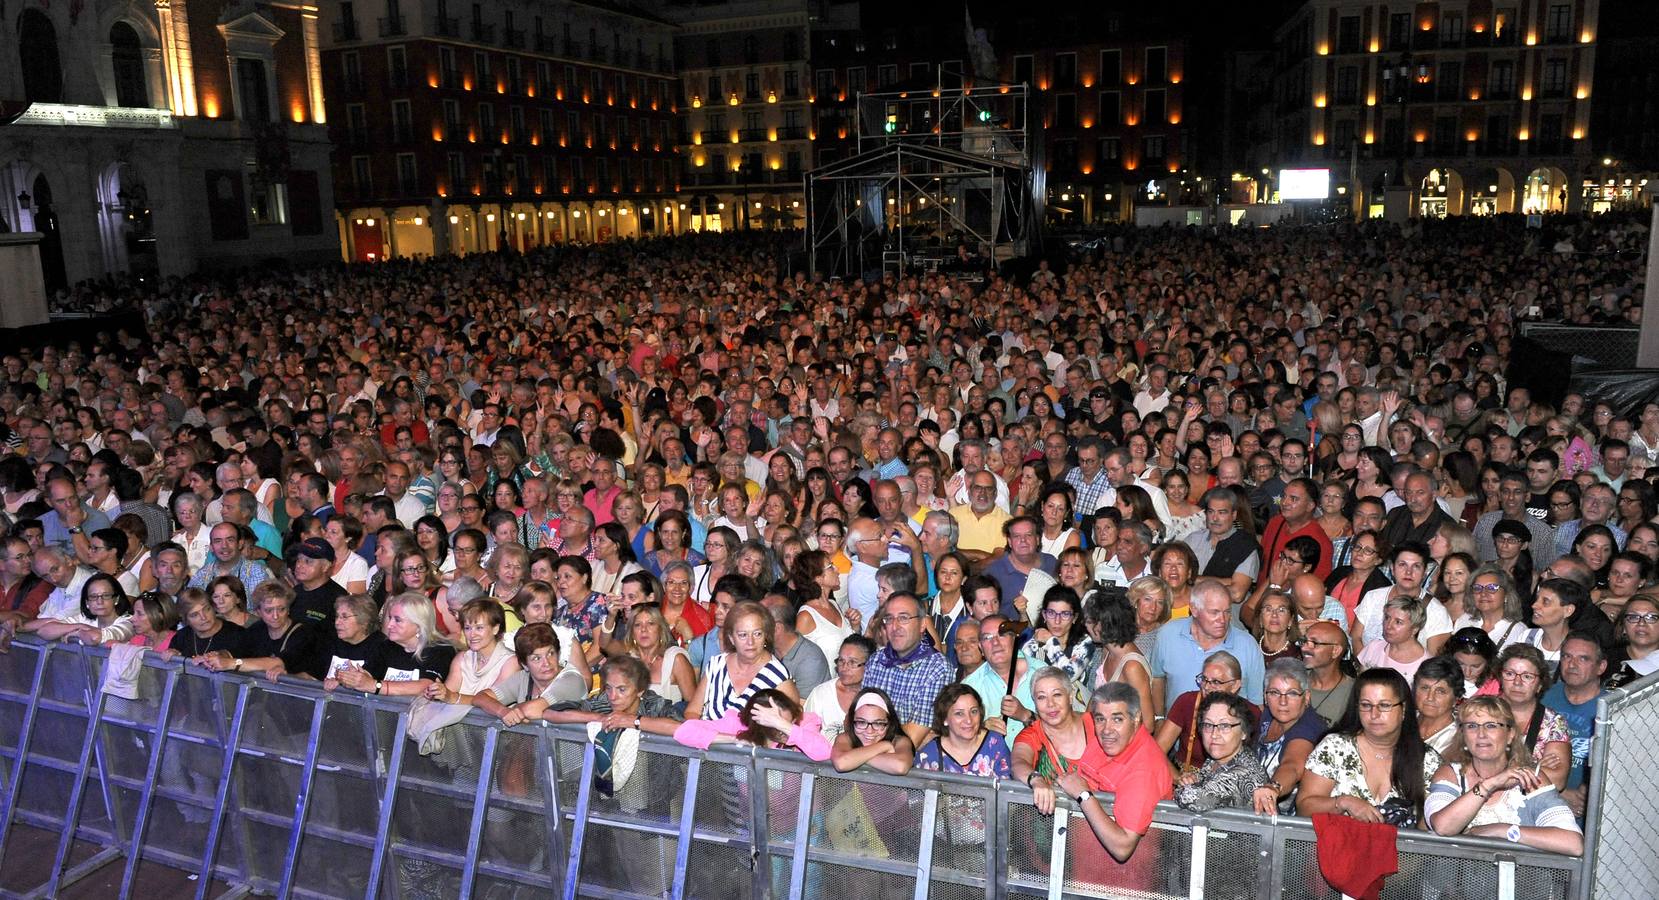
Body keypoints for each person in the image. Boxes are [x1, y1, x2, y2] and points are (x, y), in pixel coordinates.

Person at [1425, 697, 1584, 854]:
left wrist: (1502, 831)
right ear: (1463, 735)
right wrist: (1490, 785)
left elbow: (1573, 843)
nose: (1481, 734)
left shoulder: (1530, 778)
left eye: (1491, 726)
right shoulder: (1451, 773)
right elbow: (1443, 827)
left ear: (1510, 734)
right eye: (1472, 726)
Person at [1298, 668, 1441, 828]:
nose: (1374, 714)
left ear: (1404, 709)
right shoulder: (1334, 747)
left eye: (1384, 705)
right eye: (1366, 705)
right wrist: (1344, 802)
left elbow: (1433, 825)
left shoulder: (1428, 760)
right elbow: (1304, 808)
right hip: (1334, 849)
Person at [1053, 682, 1174, 864]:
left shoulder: (1143, 769)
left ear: (1136, 719)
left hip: (1122, 882)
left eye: (1117, 719)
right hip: (1084, 861)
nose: (1107, 729)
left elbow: (1123, 847)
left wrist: (1083, 795)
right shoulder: (1106, 741)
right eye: (1100, 719)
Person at [1149, 579, 1265, 715]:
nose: (1222, 620)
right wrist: (1159, 719)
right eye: (1214, 612)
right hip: (1176, 732)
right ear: (1194, 610)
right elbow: (1157, 678)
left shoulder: (1247, 645)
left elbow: (1257, 704)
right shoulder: (1168, 634)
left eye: (1227, 612)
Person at [860, 592, 954, 747]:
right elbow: (860, 724)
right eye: (889, 619)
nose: (895, 626)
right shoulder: (875, 661)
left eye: (903, 618)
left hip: (912, 767)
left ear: (923, 624)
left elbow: (912, 739)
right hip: (872, 760)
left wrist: (872, 734)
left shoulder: (937, 668)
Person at [685, 600, 798, 720]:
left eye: (757, 634)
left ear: (765, 636)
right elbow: (692, 712)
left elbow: (789, 727)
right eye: (743, 635)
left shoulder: (778, 677)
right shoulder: (716, 665)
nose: (751, 642)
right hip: (709, 737)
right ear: (731, 638)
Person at [1156, 650, 1258, 772]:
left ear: (1235, 685)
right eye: (1204, 679)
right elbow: (1156, 751)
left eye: (1216, 682)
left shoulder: (1251, 712)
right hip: (1186, 777)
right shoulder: (1187, 702)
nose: (1207, 687)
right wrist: (1178, 779)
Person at [1173, 692, 1269, 812]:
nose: (1214, 734)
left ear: (1244, 732)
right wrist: (1193, 780)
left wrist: (1186, 787)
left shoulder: (1244, 774)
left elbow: (1192, 799)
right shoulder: (1216, 760)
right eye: (1208, 725)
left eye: (1224, 726)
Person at [1494, 644, 1572, 790]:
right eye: (1510, 674)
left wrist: (1500, 774)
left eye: (1527, 676)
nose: (1517, 682)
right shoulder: (1481, 712)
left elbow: (1557, 780)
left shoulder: (1553, 722)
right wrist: (1533, 767)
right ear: (1500, 678)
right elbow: (1469, 767)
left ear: (1540, 685)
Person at [1254, 658, 1327, 814]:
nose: (1283, 701)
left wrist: (1273, 787)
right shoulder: (1267, 715)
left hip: (1288, 824)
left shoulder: (1309, 727)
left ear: (1306, 697)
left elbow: (1293, 765)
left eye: (1292, 693)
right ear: (1265, 697)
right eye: (1274, 692)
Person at [423, 598, 522, 706]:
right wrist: (436, 693)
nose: (472, 634)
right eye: (467, 628)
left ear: (495, 629)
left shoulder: (511, 662)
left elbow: (492, 702)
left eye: (479, 628)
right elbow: (447, 694)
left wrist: (451, 697)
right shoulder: (462, 658)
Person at [915, 683, 1012, 777]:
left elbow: (1008, 790)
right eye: (959, 713)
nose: (969, 720)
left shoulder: (995, 744)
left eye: (974, 711)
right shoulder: (929, 754)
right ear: (945, 718)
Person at [803, 634, 876, 742]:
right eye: (841, 661)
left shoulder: (877, 696)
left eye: (852, 662)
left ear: (869, 665)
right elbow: (805, 737)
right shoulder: (820, 694)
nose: (844, 668)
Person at [830, 687, 916, 774]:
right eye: (861, 722)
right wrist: (883, 746)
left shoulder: (899, 741)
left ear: (889, 723)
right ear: (852, 721)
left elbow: (900, 766)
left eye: (878, 723)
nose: (869, 731)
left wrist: (856, 757)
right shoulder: (846, 738)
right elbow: (841, 763)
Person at [1356, 595, 1430, 682]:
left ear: (1415, 629)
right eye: (1387, 618)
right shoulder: (1374, 648)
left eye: (1398, 622)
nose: (1388, 626)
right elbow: (1360, 685)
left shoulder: (1425, 665)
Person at [1413, 656, 1464, 754]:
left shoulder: (1458, 739)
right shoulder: (1401, 720)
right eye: (1425, 688)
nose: (1430, 697)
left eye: (1440, 691)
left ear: (1456, 698)